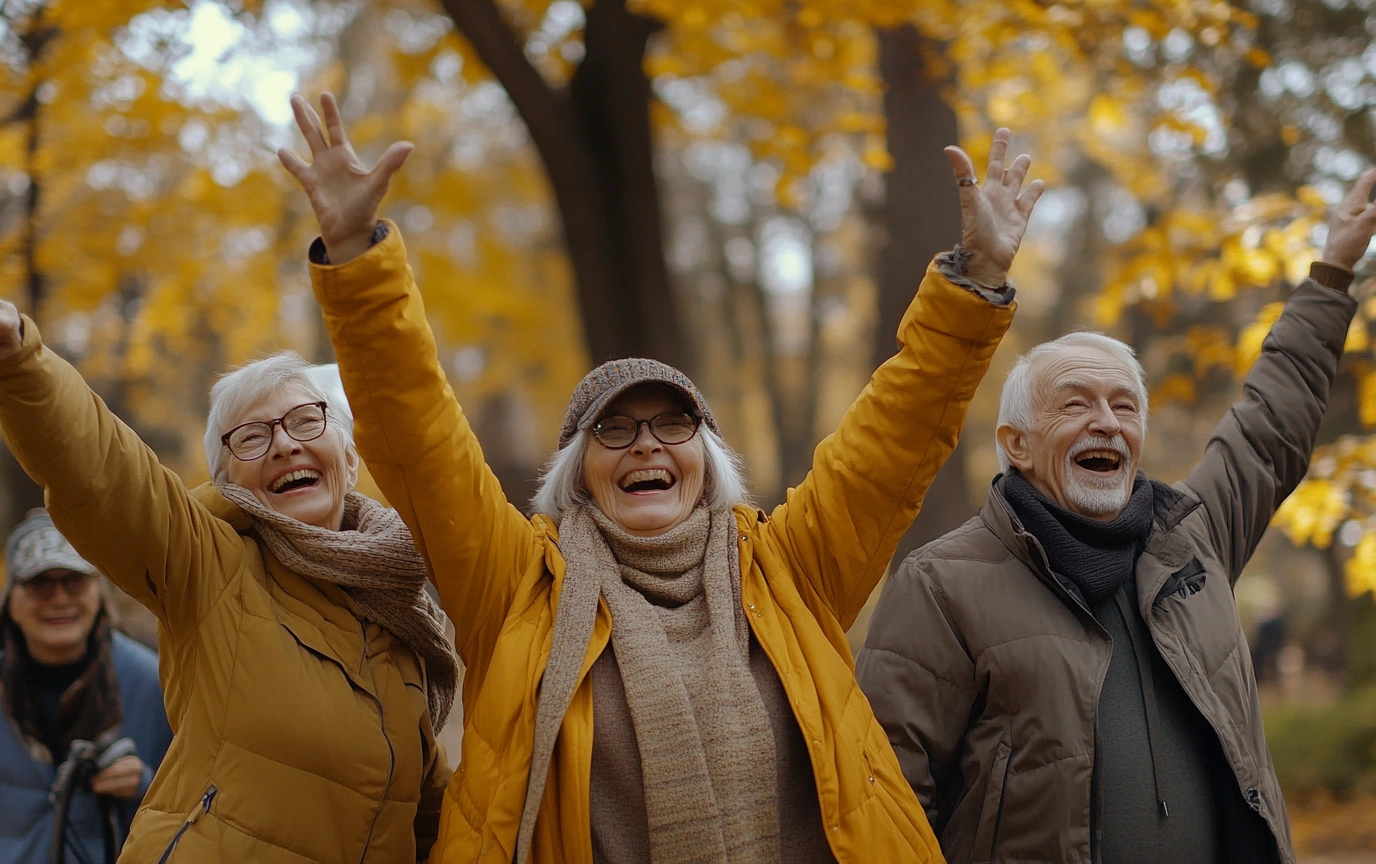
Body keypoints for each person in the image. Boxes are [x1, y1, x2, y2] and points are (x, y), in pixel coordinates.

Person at [277, 92, 1043, 863]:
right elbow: (420, 441)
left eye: (672, 424)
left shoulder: (788, 570)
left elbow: (893, 444)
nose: (645, 446)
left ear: (703, 458)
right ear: (579, 474)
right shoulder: (516, 589)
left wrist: (974, 278)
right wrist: (357, 261)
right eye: (614, 429)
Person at [855, 171, 1376, 864]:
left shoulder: (1191, 537)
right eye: (1075, 404)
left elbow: (1269, 426)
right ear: (1017, 444)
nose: (1106, 422)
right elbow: (887, 799)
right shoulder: (943, 583)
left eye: (1124, 406)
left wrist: (1332, 272)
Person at [0, 326, 458, 859]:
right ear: (229, 484)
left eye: (307, 421)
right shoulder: (208, 567)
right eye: (251, 437)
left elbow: (423, 815)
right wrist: (21, 359)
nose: (286, 444)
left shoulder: (401, 619)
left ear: (350, 458)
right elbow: (107, 476)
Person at [0, 510, 172, 863]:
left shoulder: (156, 683)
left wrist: (145, 784)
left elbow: (198, 801)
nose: (59, 599)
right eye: (40, 583)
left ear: (99, 593)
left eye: (74, 581)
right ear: (11, 602)